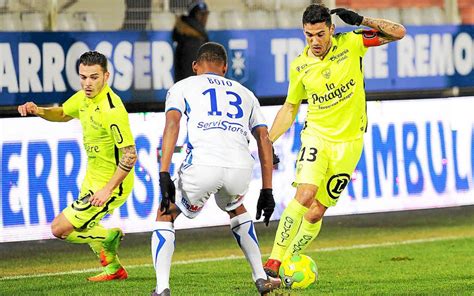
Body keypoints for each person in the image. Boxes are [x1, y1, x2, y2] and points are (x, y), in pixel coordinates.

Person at [263, 4, 406, 277]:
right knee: (305, 193)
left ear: (332, 29)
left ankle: (290, 257)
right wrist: (268, 140)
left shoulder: (352, 43)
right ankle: (273, 261)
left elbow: (399, 33)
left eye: (319, 34)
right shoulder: (300, 66)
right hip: (316, 136)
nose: (314, 41)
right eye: (308, 35)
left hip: (350, 143)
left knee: (316, 212)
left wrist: (363, 19)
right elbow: (290, 107)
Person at [151, 42, 280, 296]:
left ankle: (162, 287)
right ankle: (260, 277)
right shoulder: (245, 92)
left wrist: (163, 172)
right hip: (240, 168)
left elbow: (172, 125)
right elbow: (264, 139)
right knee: (236, 207)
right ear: (225, 68)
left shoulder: (183, 86)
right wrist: (268, 189)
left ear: (195, 66)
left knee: (166, 212)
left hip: (203, 164)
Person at [17, 51, 137, 282]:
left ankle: (108, 236)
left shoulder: (111, 110)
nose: (87, 83)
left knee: (59, 229)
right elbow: (63, 113)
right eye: (83, 77)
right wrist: (39, 110)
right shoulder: (83, 98)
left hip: (112, 183)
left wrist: (108, 189)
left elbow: (130, 155)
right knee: (86, 223)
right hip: (92, 178)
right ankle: (114, 269)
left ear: (106, 76)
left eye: (93, 77)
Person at [172, 0, 209, 82]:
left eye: (206, 14)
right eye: (201, 14)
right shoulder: (192, 41)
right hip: (192, 90)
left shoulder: (196, 36)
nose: (204, 18)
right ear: (193, 15)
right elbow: (191, 73)